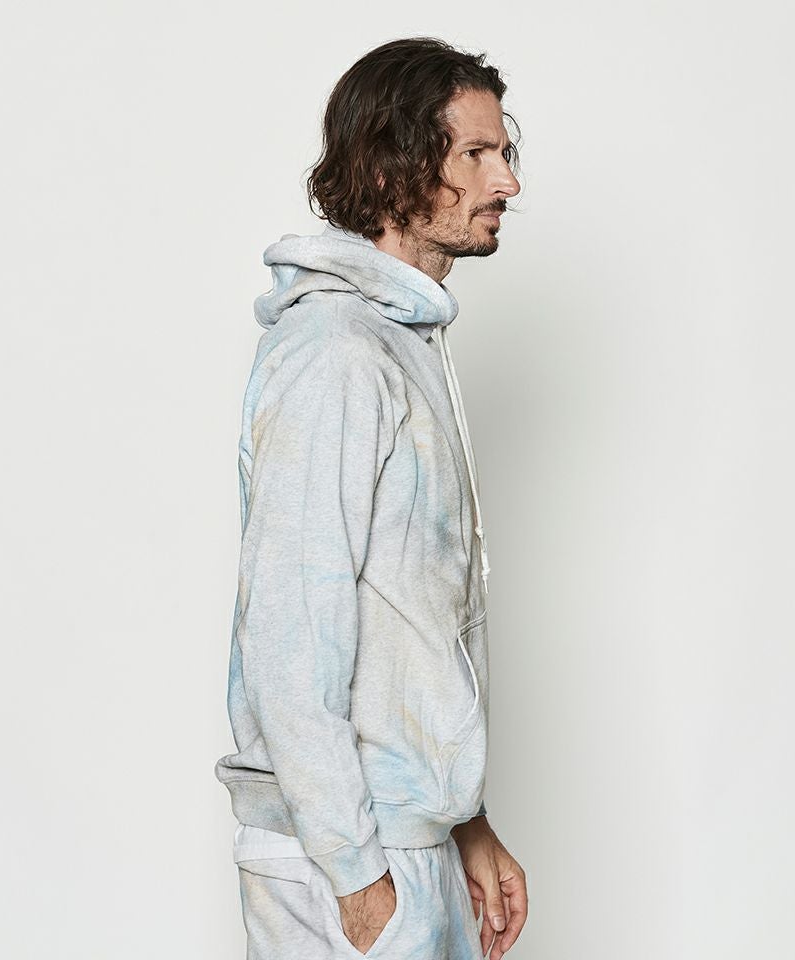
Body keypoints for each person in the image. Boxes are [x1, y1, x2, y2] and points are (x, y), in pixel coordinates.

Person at [214, 36, 529, 959]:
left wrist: (465, 820)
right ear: (393, 169)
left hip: (405, 836)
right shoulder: (335, 354)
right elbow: (289, 626)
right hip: (343, 855)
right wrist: (358, 882)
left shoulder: (403, 342)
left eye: (505, 151)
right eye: (477, 154)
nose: (507, 181)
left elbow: (412, 621)